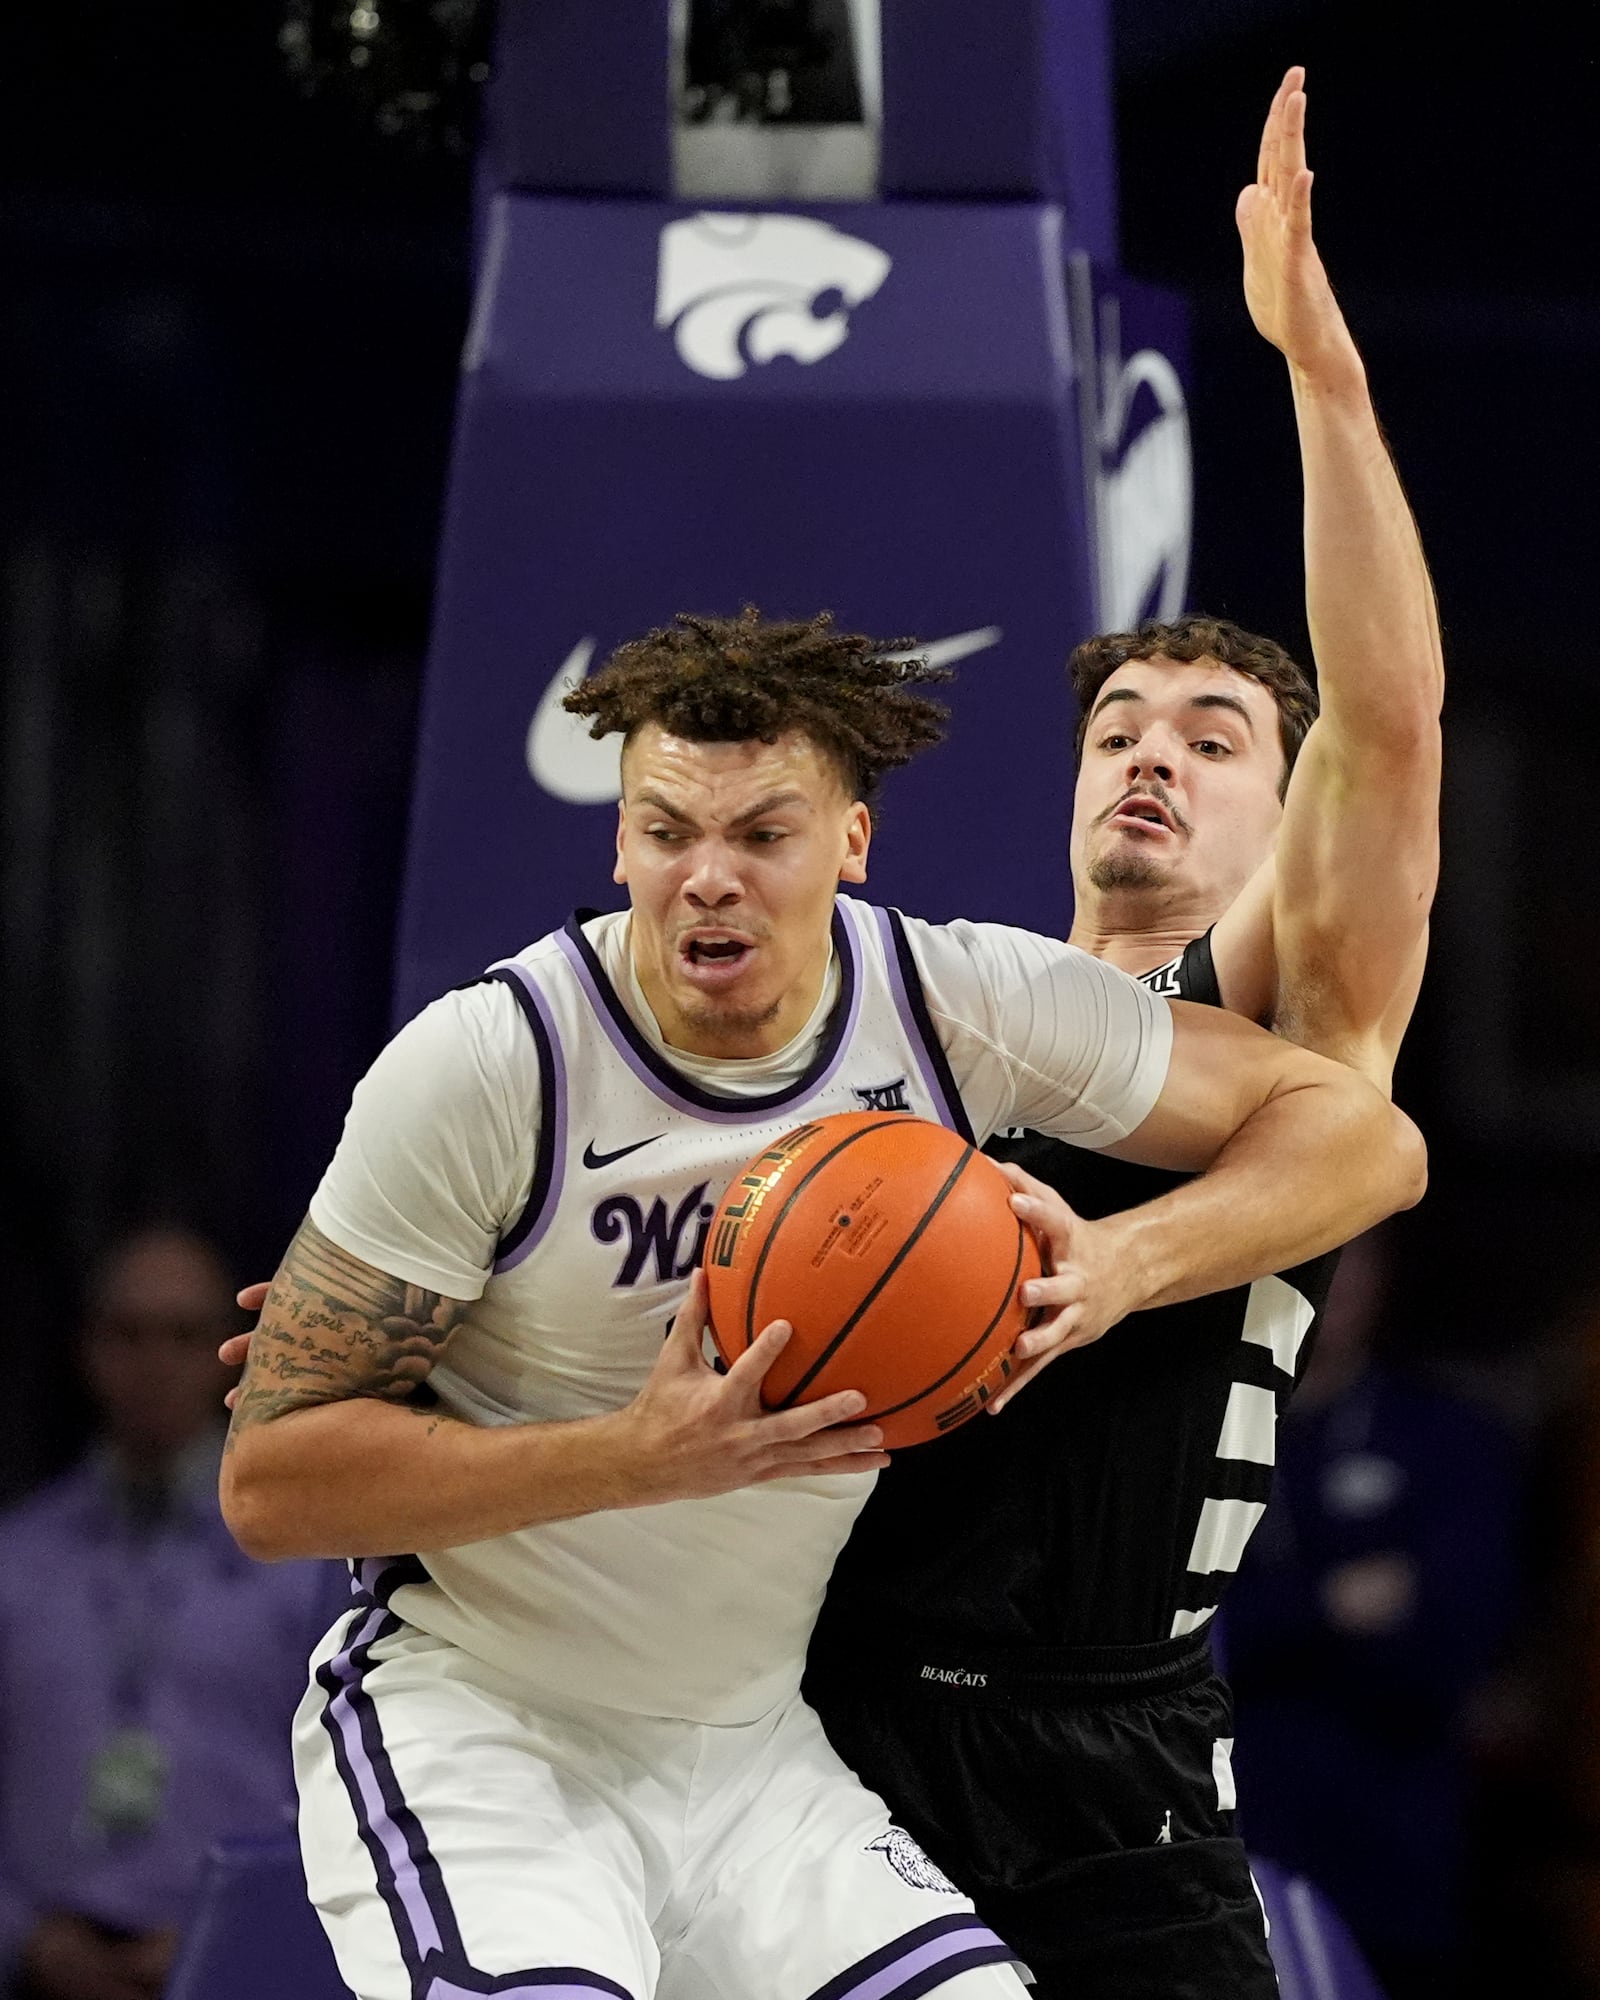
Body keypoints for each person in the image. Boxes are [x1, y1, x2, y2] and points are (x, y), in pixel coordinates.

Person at [218, 602, 1422, 2000]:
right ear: (618, 843)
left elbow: (1368, 1139)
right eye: (667, 833)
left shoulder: (958, 1007)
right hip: (492, 1714)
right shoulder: (490, 1064)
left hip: (761, 1749)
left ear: (851, 845)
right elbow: (270, 1486)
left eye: (761, 836)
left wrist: (1118, 1267)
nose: (707, 880)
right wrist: (634, 1456)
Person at [805, 67, 1445, 2000]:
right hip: (828, 1707)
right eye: (1119, 731)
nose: (1153, 758)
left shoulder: (1262, 1011)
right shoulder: (939, 1006)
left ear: (1279, 820)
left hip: (1114, 1744)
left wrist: (1321, 377)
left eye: (1212, 739)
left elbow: (1393, 727)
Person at [0, 1227, 343, 2000]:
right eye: (129, 1334)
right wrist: (22, 1930)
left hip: (241, 1970)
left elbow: (352, 1794)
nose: (154, 1363)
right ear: (88, 1350)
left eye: (184, 1336)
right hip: (41, 1969)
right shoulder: (17, 1565)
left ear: (234, 1351)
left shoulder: (308, 1565)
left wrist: (244, 1928)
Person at [1224, 1227, 1519, 1999]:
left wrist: (1269, 1626)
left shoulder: (1447, 1438)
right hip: (1229, 1858)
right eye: (1310, 1251)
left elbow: (1454, 1645)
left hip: (1392, 1860)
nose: (1334, 1281)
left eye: (1355, 1260)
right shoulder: (1203, 1440)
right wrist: (1330, 1604)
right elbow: (1189, 1642)